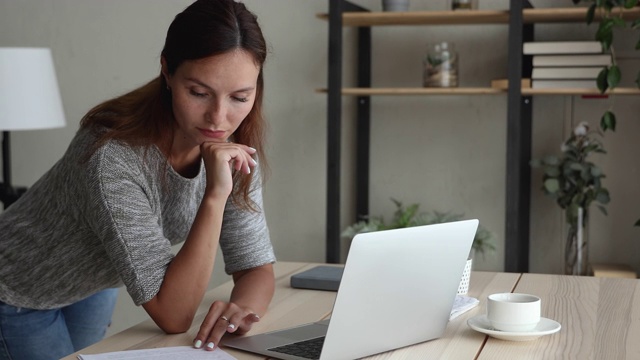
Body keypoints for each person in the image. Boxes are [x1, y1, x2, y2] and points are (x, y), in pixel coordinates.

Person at [0, 0, 276, 359]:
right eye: (198, 92)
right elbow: (173, 315)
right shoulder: (112, 154)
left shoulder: (233, 149)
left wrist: (241, 309)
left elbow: (254, 265)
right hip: (18, 288)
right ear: (167, 71)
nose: (219, 118)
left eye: (240, 97)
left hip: (94, 285)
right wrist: (215, 194)